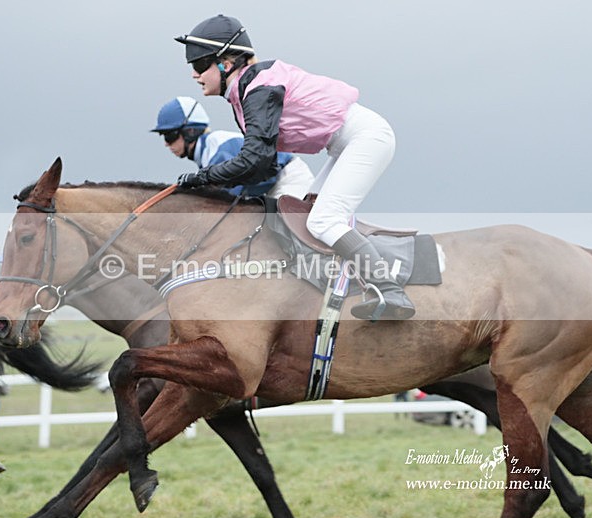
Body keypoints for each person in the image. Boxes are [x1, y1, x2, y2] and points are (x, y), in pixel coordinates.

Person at [174, 14, 414, 321]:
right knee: (305, 213)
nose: (195, 76)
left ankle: (389, 288)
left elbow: (253, 160)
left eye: (198, 66)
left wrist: (201, 179)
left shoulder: (259, 89)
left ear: (226, 62)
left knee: (323, 222)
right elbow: (261, 167)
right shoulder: (244, 93)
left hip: (365, 138)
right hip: (344, 144)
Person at [151, 95, 313, 199]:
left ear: (190, 131)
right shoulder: (206, 153)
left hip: (288, 178)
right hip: (270, 186)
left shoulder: (217, 149)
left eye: (169, 136)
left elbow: (224, 198)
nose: (166, 143)